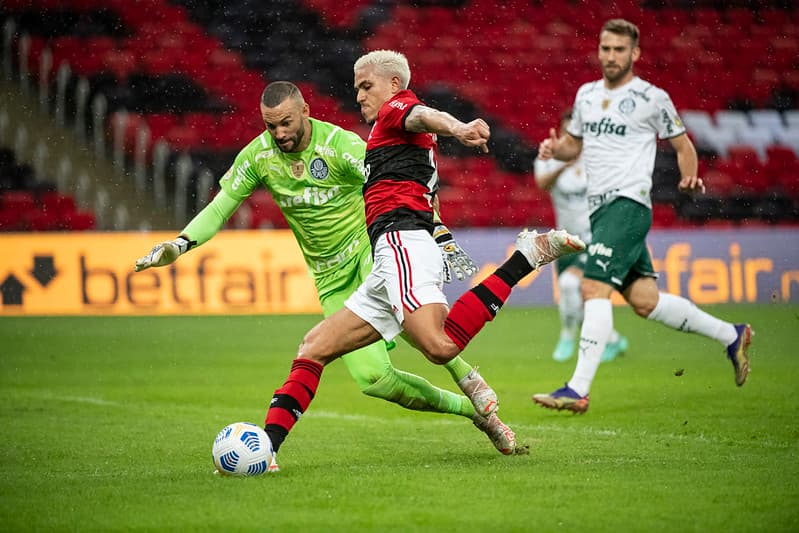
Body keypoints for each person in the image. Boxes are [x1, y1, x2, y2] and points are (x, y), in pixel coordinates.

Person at [134, 81, 523, 466]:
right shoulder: (258, 157)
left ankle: (467, 377)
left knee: (417, 325)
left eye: (286, 122)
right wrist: (181, 244)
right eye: (271, 126)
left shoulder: (342, 147)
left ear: (305, 111)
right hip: (330, 278)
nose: (280, 133)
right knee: (375, 381)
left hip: (371, 252)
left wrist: (435, 229)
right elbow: (221, 208)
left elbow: (399, 185)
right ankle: (475, 414)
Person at [257, 50, 585, 467]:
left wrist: (460, 127)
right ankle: (266, 449)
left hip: (403, 242)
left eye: (365, 85)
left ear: (393, 84)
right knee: (314, 347)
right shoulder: (386, 131)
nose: (358, 95)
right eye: (357, 86)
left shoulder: (398, 108)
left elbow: (424, 115)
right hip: (388, 255)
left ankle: (525, 257)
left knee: (438, 345)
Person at [532, 19, 752, 414]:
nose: (611, 56)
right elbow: (573, 148)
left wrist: (689, 176)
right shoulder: (585, 96)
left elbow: (683, 144)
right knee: (645, 301)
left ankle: (577, 388)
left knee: (593, 289)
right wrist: (555, 149)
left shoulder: (652, 97)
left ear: (635, 54)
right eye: (605, 48)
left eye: (619, 49)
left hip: (628, 203)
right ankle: (731, 335)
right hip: (601, 210)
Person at [534, 107, 628, 363]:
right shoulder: (549, 154)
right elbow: (543, 183)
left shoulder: (596, 157)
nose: (571, 135)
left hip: (593, 235)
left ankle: (567, 336)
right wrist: (564, 163)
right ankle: (613, 339)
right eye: (567, 131)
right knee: (575, 293)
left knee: (570, 285)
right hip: (565, 238)